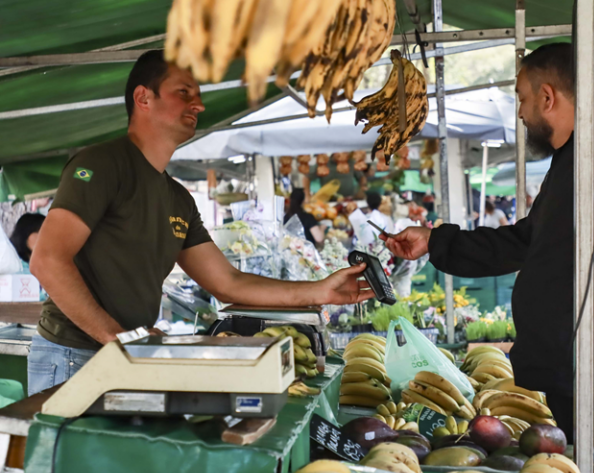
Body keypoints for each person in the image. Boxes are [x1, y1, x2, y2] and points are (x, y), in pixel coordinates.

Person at [382, 43, 594, 473]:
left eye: (521, 98)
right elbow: (526, 242)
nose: (520, 112)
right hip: (580, 362)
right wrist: (435, 241)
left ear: (548, 97)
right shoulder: (576, 158)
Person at [28, 50, 374, 399]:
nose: (199, 105)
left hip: (127, 357)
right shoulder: (100, 164)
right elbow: (47, 261)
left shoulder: (178, 198)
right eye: (184, 93)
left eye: (198, 96)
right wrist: (121, 340)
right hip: (74, 356)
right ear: (143, 97)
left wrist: (320, 291)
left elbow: (229, 282)